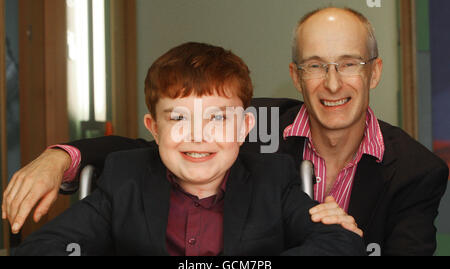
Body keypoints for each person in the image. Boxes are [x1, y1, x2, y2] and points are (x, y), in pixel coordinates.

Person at [3, 7, 448, 255]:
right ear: (296, 76)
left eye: (349, 63)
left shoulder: (416, 170)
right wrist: (61, 156)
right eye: (316, 66)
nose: (332, 83)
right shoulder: (253, 119)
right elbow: (150, 150)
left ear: (374, 72)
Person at [12, 42, 365, 256]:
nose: (198, 135)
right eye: (179, 117)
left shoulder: (272, 178)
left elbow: (339, 244)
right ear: (154, 128)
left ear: (244, 129)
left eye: (217, 118)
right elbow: (42, 248)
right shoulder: (125, 179)